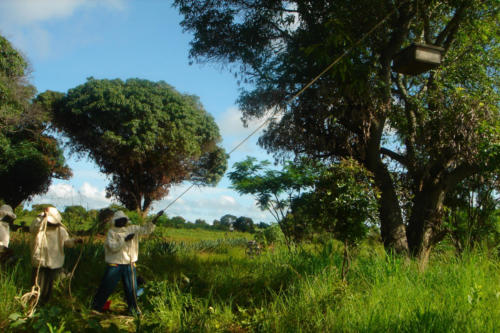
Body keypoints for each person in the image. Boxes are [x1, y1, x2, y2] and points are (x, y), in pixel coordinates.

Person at [92, 210, 156, 315]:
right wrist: (124, 240)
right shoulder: (112, 233)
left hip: (129, 264)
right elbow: (113, 247)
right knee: (106, 286)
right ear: (115, 221)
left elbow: (145, 230)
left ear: (126, 221)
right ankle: (96, 308)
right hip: (115, 264)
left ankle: (134, 311)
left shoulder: (132, 229)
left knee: (132, 289)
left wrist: (153, 222)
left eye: (124, 220)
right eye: (120, 220)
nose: (122, 222)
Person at [30, 206, 82, 305]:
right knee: (37, 285)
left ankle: (46, 305)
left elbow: (66, 242)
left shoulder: (60, 230)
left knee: (49, 285)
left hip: (54, 262)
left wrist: (75, 241)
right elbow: (33, 229)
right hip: (40, 261)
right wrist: (43, 219)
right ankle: (34, 305)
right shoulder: (38, 223)